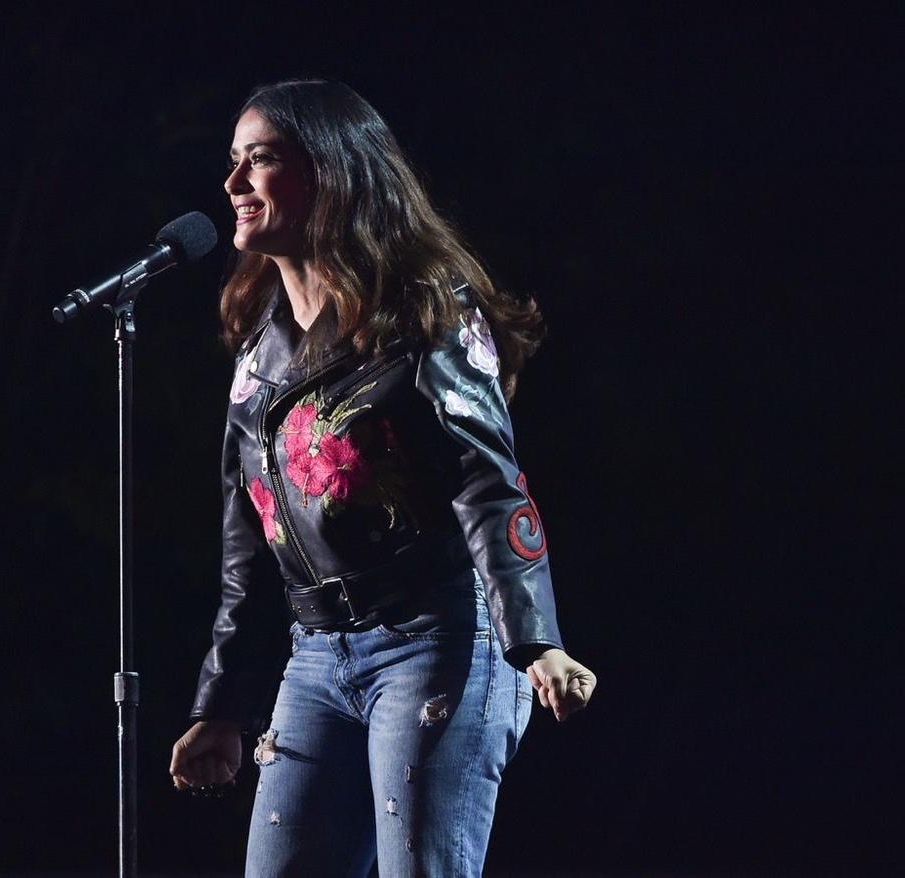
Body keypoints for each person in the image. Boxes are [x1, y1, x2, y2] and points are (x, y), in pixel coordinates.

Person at [169, 79, 596, 877]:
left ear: (329, 173)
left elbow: (487, 480)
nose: (232, 185)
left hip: (433, 640)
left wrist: (535, 642)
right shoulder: (257, 355)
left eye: (258, 161)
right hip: (315, 657)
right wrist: (221, 708)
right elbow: (248, 551)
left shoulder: (424, 313)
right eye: (233, 163)